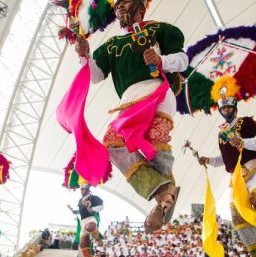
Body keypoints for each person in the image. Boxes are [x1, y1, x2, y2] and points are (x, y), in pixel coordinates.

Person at [74, 0, 187, 233]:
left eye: (125, 2)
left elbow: (183, 60)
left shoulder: (160, 30)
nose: (119, 7)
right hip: (128, 101)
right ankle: (164, 195)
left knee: (155, 143)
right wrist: (85, 57)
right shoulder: (112, 44)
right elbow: (96, 76)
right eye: (117, 5)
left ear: (140, 7)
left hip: (157, 92)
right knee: (113, 144)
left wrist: (161, 60)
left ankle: (164, 195)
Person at [198, 91, 256, 257]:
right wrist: (208, 160)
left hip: (253, 166)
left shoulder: (245, 122)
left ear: (234, 108)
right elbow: (224, 158)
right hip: (236, 176)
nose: (226, 110)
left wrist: (243, 142)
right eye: (223, 107)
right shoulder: (221, 133)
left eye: (228, 107)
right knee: (237, 217)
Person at [68, 181, 104, 257]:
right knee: (83, 244)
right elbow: (80, 211)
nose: (81, 191)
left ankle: (98, 240)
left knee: (90, 227)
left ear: (87, 189)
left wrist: (92, 208)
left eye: (83, 189)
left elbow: (101, 206)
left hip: (91, 217)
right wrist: (74, 211)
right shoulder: (80, 200)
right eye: (81, 189)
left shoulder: (93, 198)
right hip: (83, 221)